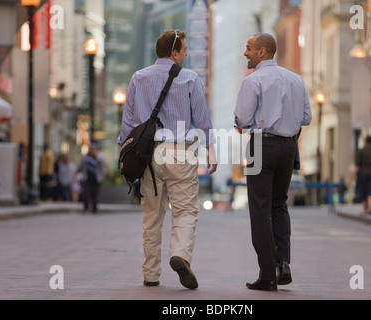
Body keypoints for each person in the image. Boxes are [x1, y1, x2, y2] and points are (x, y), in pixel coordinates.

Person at [117, 29, 217, 290]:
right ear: (174, 53)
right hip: (180, 152)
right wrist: (211, 149)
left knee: (151, 216)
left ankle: (150, 274)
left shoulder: (138, 78)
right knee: (185, 210)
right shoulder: (190, 79)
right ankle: (180, 254)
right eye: (183, 50)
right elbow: (202, 118)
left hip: (147, 155)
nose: (185, 55)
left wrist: (123, 154)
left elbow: (128, 122)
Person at [234, 33, 312, 291]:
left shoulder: (253, 80)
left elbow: (243, 121)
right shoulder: (296, 79)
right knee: (279, 205)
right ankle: (283, 263)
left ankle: (267, 274)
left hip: (260, 146)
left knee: (259, 207)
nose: (245, 53)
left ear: (262, 51)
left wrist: (242, 123)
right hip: (289, 147)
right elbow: (306, 118)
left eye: (248, 49)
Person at [76, 145, 110, 213]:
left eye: (94, 150)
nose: (92, 151)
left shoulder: (99, 158)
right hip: (86, 179)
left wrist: (109, 173)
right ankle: (86, 207)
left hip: (96, 179)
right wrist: (75, 175)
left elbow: (104, 164)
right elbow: (80, 167)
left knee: (94, 194)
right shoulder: (85, 158)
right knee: (86, 193)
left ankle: (94, 208)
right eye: (91, 150)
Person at [355, 136, 371, 215]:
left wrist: (355, 174)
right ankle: (370, 208)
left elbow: (357, 165)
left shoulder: (361, 150)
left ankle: (365, 209)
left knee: (363, 191)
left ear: (365, 141)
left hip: (362, 173)